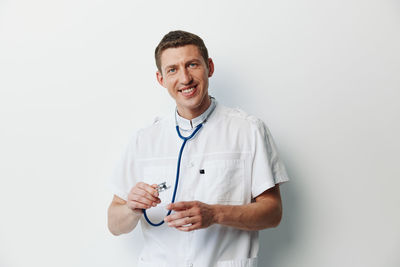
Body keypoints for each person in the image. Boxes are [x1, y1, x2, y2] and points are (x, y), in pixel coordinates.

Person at [107, 30, 289, 267]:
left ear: (209, 67)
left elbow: (272, 212)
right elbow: (114, 223)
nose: (185, 78)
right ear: (161, 79)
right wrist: (132, 208)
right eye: (172, 69)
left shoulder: (248, 130)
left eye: (192, 65)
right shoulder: (144, 140)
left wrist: (215, 214)